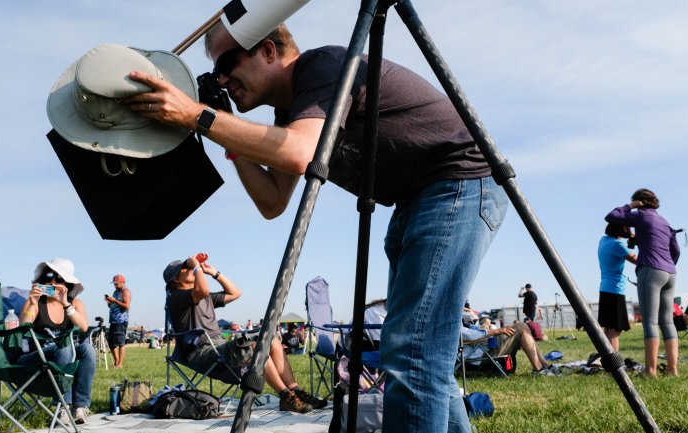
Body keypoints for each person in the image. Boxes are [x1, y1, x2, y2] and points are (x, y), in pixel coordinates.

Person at [126, 22, 508, 432]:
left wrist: (198, 116)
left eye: (226, 63)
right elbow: (273, 200)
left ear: (269, 50)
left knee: (413, 353)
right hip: (421, 199)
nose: (221, 78)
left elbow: (298, 151)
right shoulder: (290, 110)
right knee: (420, 353)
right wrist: (222, 126)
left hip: (458, 184)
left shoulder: (323, 66)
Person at [164, 255, 327, 413]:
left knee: (271, 340)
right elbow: (202, 289)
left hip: (218, 346)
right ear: (176, 280)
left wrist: (215, 274)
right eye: (186, 268)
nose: (190, 269)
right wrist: (197, 267)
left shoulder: (204, 296)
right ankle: (285, 396)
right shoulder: (176, 298)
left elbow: (235, 293)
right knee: (258, 348)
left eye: (189, 266)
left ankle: (295, 390)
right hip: (201, 352)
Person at [606, 189, 680, 376]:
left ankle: (650, 370)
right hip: (670, 272)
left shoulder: (641, 215)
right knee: (667, 322)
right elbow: (675, 249)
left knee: (650, 322)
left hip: (650, 270)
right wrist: (665, 264)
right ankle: (673, 369)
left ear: (640, 202)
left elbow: (612, 216)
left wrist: (631, 206)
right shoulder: (664, 221)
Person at [13, 258, 95, 425]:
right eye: (48, 277)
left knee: (87, 350)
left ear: (67, 283)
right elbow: (23, 325)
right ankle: (62, 406)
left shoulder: (75, 304)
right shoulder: (35, 302)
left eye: (58, 278)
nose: (52, 282)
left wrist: (65, 303)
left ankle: (80, 406)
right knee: (62, 348)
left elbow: (84, 327)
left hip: (64, 353)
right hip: (35, 357)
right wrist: (32, 303)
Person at [461, 321, 558, 376]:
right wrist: (497, 331)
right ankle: (540, 368)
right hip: (482, 352)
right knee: (522, 327)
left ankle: (543, 366)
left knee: (522, 327)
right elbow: (469, 335)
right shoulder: (449, 322)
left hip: (485, 347)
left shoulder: (451, 319)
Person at [597, 223, 638, 352]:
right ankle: (615, 365)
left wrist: (630, 239)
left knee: (608, 326)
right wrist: (641, 241)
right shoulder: (617, 244)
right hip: (615, 289)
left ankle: (605, 358)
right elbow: (637, 259)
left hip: (605, 287)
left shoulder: (603, 240)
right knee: (615, 328)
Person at [105, 274, 131, 368]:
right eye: (114, 283)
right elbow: (114, 305)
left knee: (120, 342)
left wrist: (115, 301)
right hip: (113, 321)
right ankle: (116, 362)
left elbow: (126, 306)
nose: (115, 285)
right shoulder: (115, 292)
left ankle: (120, 364)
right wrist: (109, 302)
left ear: (122, 282)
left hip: (121, 321)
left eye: (116, 283)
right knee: (111, 342)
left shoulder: (126, 291)